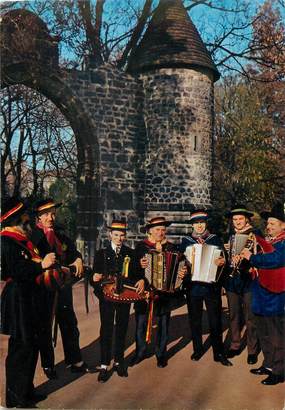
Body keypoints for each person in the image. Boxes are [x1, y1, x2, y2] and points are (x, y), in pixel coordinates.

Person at [1, 197, 55, 408]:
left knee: (31, 346)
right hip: (18, 299)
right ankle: (15, 398)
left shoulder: (24, 238)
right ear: (16, 218)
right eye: (25, 215)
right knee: (20, 349)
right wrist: (42, 264)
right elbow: (15, 270)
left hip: (30, 298)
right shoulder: (6, 240)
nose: (28, 218)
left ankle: (26, 390)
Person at [30, 198, 88, 377]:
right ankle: (48, 365)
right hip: (43, 288)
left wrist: (78, 258)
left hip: (62, 286)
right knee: (45, 326)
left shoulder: (61, 235)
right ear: (38, 217)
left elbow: (72, 251)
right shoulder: (33, 236)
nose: (51, 217)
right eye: (46, 214)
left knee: (69, 322)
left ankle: (74, 360)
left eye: (53, 213)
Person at [91, 220, 145, 383]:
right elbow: (94, 275)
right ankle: (104, 364)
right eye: (116, 235)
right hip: (106, 298)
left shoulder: (131, 253)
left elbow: (137, 274)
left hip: (124, 296)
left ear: (125, 236)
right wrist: (94, 278)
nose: (119, 238)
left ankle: (119, 362)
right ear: (110, 235)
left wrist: (142, 279)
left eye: (122, 235)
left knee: (122, 328)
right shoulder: (101, 253)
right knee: (106, 330)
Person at [180, 210, 232, 366]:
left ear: (206, 223)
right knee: (195, 320)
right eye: (196, 223)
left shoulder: (215, 239)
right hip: (193, 286)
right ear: (192, 225)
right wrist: (184, 267)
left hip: (211, 286)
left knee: (215, 320)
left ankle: (219, 352)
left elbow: (225, 259)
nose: (200, 226)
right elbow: (180, 261)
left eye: (202, 222)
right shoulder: (186, 241)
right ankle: (197, 349)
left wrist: (222, 262)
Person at [241, 202, 285, 385]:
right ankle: (268, 364)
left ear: (283, 225)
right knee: (264, 332)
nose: (268, 226)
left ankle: (279, 370)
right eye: (268, 224)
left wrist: (252, 257)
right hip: (260, 292)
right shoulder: (269, 241)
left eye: (273, 223)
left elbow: (277, 259)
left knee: (276, 334)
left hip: (276, 296)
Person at [132, 216, 185, 368]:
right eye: (157, 230)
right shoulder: (141, 247)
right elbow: (133, 270)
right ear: (149, 231)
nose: (161, 233)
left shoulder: (171, 247)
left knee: (163, 324)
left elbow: (182, 264)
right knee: (141, 323)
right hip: (145, 292)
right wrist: (140, 270)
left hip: (164, 293)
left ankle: (161, 354)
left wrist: (183, 272)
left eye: (163, 230)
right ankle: (140, 352)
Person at [223, 205, 260, 364]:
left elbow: (262, 254)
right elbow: (224, 257)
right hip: (232, 280)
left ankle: (252, 350)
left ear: (246, 219)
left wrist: (251, 259)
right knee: (234, 315)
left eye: (240, 219)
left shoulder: (255, 234)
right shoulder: (229, 235)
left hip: (249, 279)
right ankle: (235, 344)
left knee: (250, 317)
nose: (237, 222)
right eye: (235, 219)